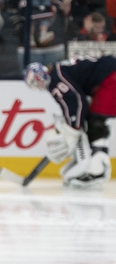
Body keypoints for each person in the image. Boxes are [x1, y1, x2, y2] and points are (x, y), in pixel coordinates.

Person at [24, 58, 113, 187]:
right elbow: (72, 104)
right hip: (109, 75)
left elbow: (77, 102)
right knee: (92, 121)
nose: (38, 86)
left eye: (35, 82)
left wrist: (73, 129)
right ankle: (97, 167)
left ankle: (97, 170)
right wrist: (73, 124)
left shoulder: (55, 78)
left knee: (95, 123)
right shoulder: (58, 72)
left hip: (111, 78)